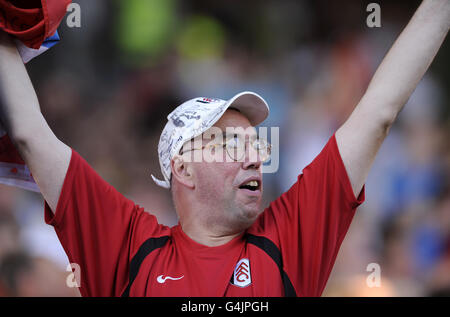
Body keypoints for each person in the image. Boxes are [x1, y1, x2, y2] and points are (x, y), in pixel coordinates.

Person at [0, 0, 448, 297]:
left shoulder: (288, 239)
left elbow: (378, 112)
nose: (255, 155)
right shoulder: (130, 245)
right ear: (184, 170)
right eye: (231, 143)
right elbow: (30, 134)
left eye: (255, 143)